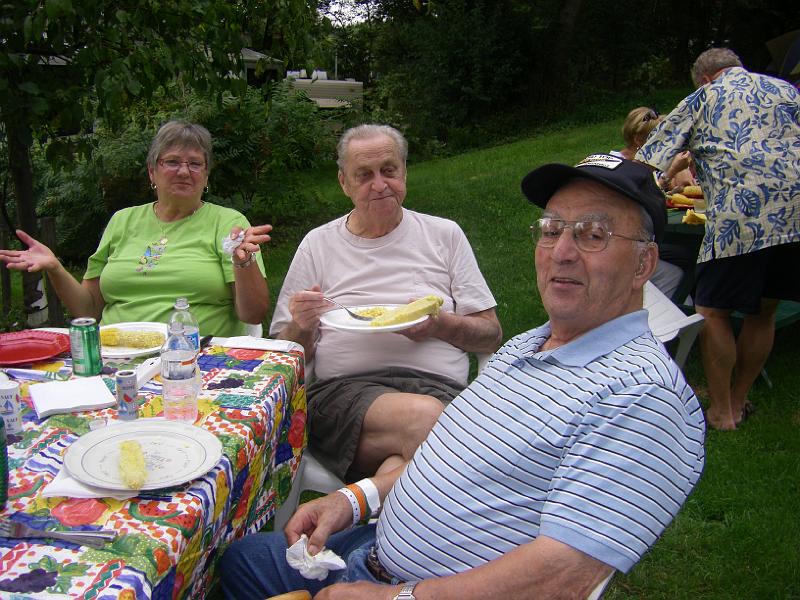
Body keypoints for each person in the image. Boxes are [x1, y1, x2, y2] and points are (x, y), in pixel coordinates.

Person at [220, 154, 706, 600]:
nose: (561, 251)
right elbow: (452, 459)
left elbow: (563, 577)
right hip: (368, 546)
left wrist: (395, 599)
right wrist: (352, 500)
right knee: (239, 560)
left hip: (415, 590)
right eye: (551, 228)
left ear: (644, 262)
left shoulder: (644, 396)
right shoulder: (528, 346)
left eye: (593, 234)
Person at [270, 124, 502, 483]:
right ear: (344, 183)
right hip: (343, 399)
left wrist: (441, 325)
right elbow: (282, 357)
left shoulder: (445, 235)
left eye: (388, 170)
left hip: (439, 390)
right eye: (364, 175)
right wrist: (301, 325)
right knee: (433, 423)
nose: (379, 185)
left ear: (405, 172)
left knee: (405, 458)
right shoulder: (318, 244)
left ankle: (363, 514)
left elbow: (490, 334)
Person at [636, 47, 800, 430]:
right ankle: (740, 400)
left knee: (711, 311)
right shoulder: (787, 90)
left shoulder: (702, 98)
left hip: (738, 221)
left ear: (706, 78)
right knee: (764, 311)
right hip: (794, 217)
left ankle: (723, 412)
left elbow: (647, 159)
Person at [0, 120, 271, 337]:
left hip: (195, 361)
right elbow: (89, 310)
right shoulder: (123, 221)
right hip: (116, 359)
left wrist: (243, 263)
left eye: (195, 163)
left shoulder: (227, 224)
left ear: (206, 175)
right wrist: (55, 268)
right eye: (173, 161)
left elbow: (253, 315)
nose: (184, 171)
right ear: (152, 172)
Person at [611, 107, 698, 300]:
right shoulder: (619, 165)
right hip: (626, 241)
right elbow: (637, 199)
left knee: (692, 256)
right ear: (639, 141)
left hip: (648, 237)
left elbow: (681, 186)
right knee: (682, 266)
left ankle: (690, 312)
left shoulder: (651, 161)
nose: (666, 145)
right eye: (660, 140)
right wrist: (671, 171)